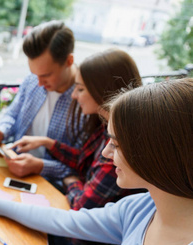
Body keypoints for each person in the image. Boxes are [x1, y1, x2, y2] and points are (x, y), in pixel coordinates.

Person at [0, 78, 193, 245]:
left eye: (116, 144)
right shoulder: (141, 208)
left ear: (160, 154)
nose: (105, 153)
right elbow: (66, 221)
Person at [10, 49, 142, 209]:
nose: (73, 95)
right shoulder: (106, 126)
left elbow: (81, 205)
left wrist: (70, 179)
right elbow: (83, 160)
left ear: (104, 91)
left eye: (80, 89)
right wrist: (47, 143)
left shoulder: (120, 148)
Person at [0, 20, 82, 183]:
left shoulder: (85, 100)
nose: (39, 83)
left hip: (50, 183)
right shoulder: (32, 80)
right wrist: (1, 131)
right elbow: (12, 115)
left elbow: (81, 166)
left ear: (69, 61)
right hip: (13, 166)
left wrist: (40, 166)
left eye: (46, 75)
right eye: (35, 74)